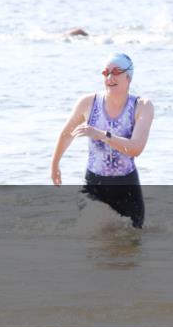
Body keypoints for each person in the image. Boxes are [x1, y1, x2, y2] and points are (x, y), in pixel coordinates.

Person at [49, 53, 153, 228]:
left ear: (129, 76)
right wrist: (55, 165)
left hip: (127, 188)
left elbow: (136, 148)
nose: (110, 77)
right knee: (96, 239)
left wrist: (103, 135)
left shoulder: (142, 106)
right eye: (106, 73)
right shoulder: (88, 103)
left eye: (116, 71)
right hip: (94, 187)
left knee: (131, 245)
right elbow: (67, 134)